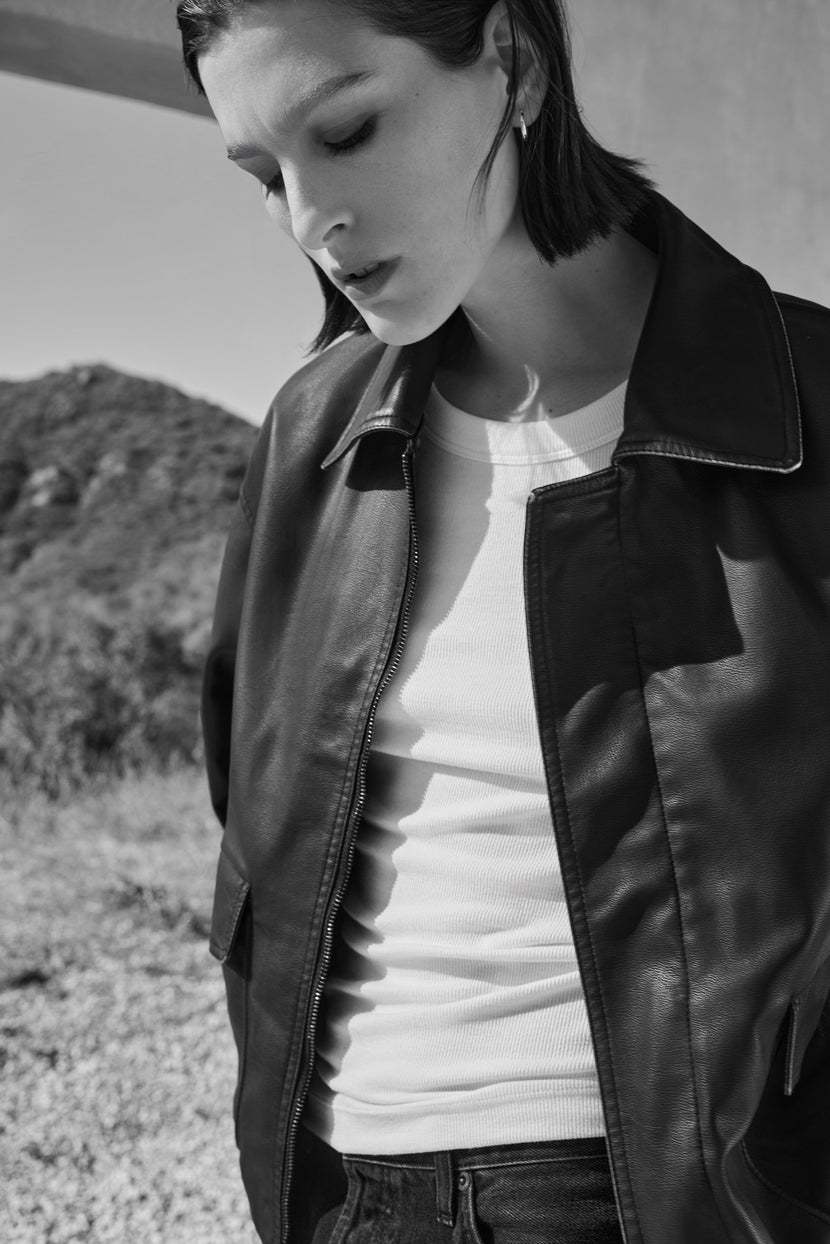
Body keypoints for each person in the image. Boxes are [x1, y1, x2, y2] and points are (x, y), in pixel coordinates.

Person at [175, 2, 830, 1242]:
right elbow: (252, 820)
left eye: (349, 129)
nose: (311, 220)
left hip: (652, 1194)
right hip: (340, 1183)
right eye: (265, 174)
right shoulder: (312, 437)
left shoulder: (806, 406)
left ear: (513, 64)